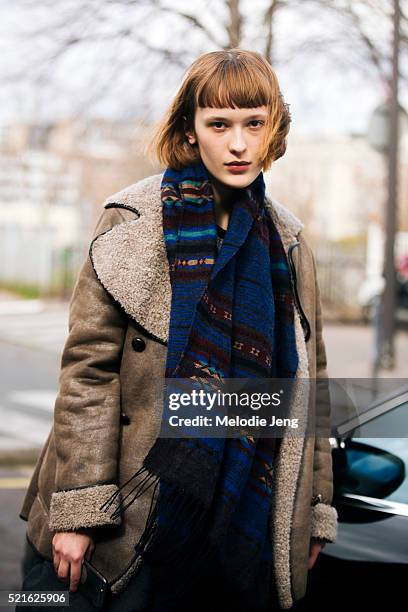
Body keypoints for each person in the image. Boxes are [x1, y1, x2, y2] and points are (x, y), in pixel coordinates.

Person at [18, 48, 338, 611]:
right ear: (191, 132)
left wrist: (311, 509)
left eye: (253, 124)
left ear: (273, 130)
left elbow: (312, 386)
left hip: (243, 509)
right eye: (219, 124)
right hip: (134, 507)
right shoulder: (132, 221)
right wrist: (81, 506)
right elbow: (88, 374)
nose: (238, 144)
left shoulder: (288, 242)